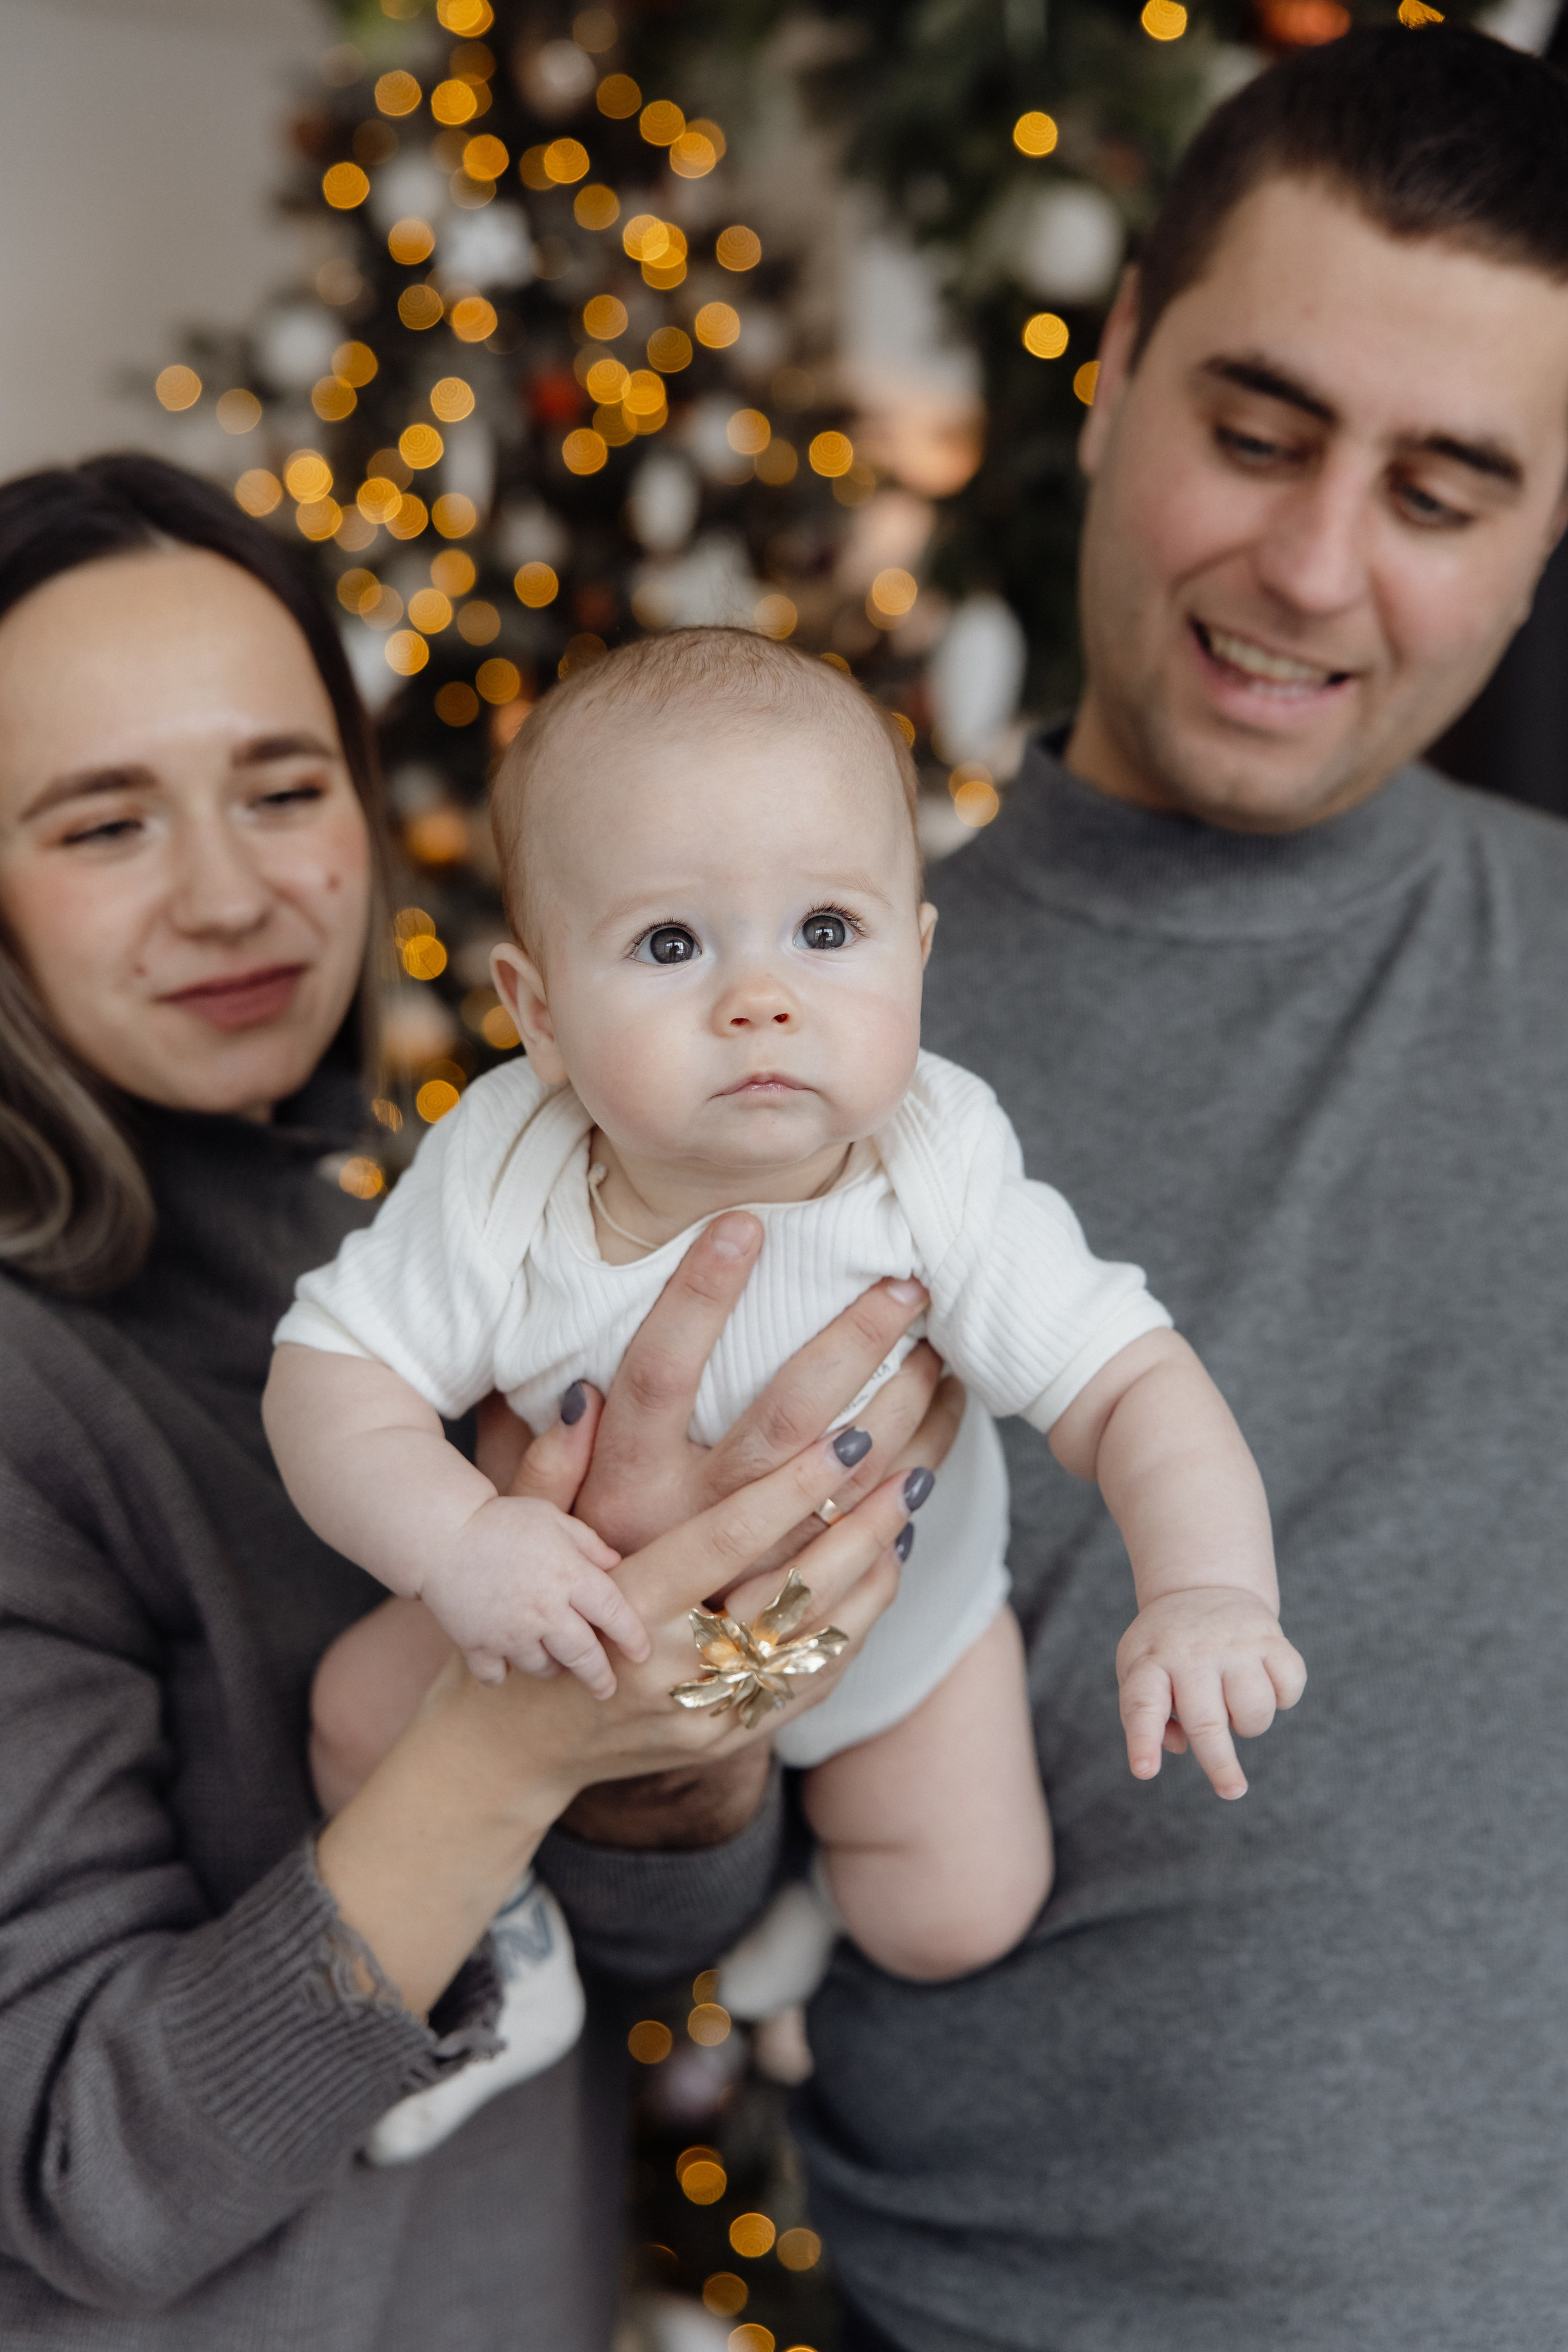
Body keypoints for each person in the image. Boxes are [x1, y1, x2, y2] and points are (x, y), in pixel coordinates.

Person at [775, 26, 1568, 2351]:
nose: (1311, 568)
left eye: (1442, 494)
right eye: (1255, 430)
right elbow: (628, 1904)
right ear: (1114, 367)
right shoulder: (805, 1063)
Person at [0, 454, 951, 2349]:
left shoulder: (452, 1255)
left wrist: (706, 1706)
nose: (232, 891)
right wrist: (504, 1741)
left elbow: (640, 1937)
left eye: (285, 788)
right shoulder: (39, 1394)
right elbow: (83, 2177)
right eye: (103, 825)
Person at [264, 628, 1300, 2155]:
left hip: (895, 1628)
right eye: (672, 945)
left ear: (918, 961)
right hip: (574, 1616)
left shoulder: (935, 1170)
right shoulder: (503, 1177)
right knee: (355, 1714)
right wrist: (461, 1547)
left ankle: (811, 1912)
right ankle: (516, 1963)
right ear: (538, 1013)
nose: (760, 998)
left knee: (954, 1908)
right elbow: (326, 1380)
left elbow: (1130, 1384)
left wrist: (1207, 1588)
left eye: (826, 928)